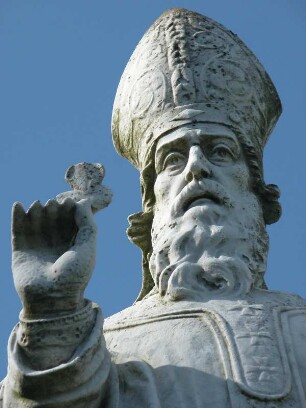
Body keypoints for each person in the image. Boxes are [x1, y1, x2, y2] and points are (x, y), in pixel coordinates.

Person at [1, 8, 305, 408]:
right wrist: (52, 317)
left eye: (221, 151)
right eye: (172, 160)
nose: (197, 167)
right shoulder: (103, 352)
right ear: (151, 208)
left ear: (258, 193)